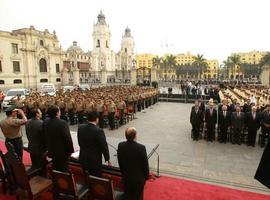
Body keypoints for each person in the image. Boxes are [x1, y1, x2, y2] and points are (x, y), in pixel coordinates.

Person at [117, 127, 149, 200]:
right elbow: (145, 165)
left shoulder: (121, 145)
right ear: (135, 136)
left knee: (128, 195)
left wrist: (123, 173)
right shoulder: (141, 148)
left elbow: (120, 161)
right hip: (138, 180)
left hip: (126, 177)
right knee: (138, 197)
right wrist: (146, 177)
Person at [77, 111, 111, 177]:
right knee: (95, 178)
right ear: (97, 119)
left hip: (83, 158)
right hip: (94, 161)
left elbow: (79, 142)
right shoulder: (98, 130)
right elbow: (103, 146)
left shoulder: (80, 127)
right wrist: (107, 158)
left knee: (86, 177)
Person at [43, 105, 74, 172]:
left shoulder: (45, 121)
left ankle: (56, 180)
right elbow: (67, 138)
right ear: (57, 113)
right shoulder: (62, 123)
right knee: (63, 168)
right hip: (62, 151)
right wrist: (71, 150)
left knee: (55, 166)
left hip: (51, 149)